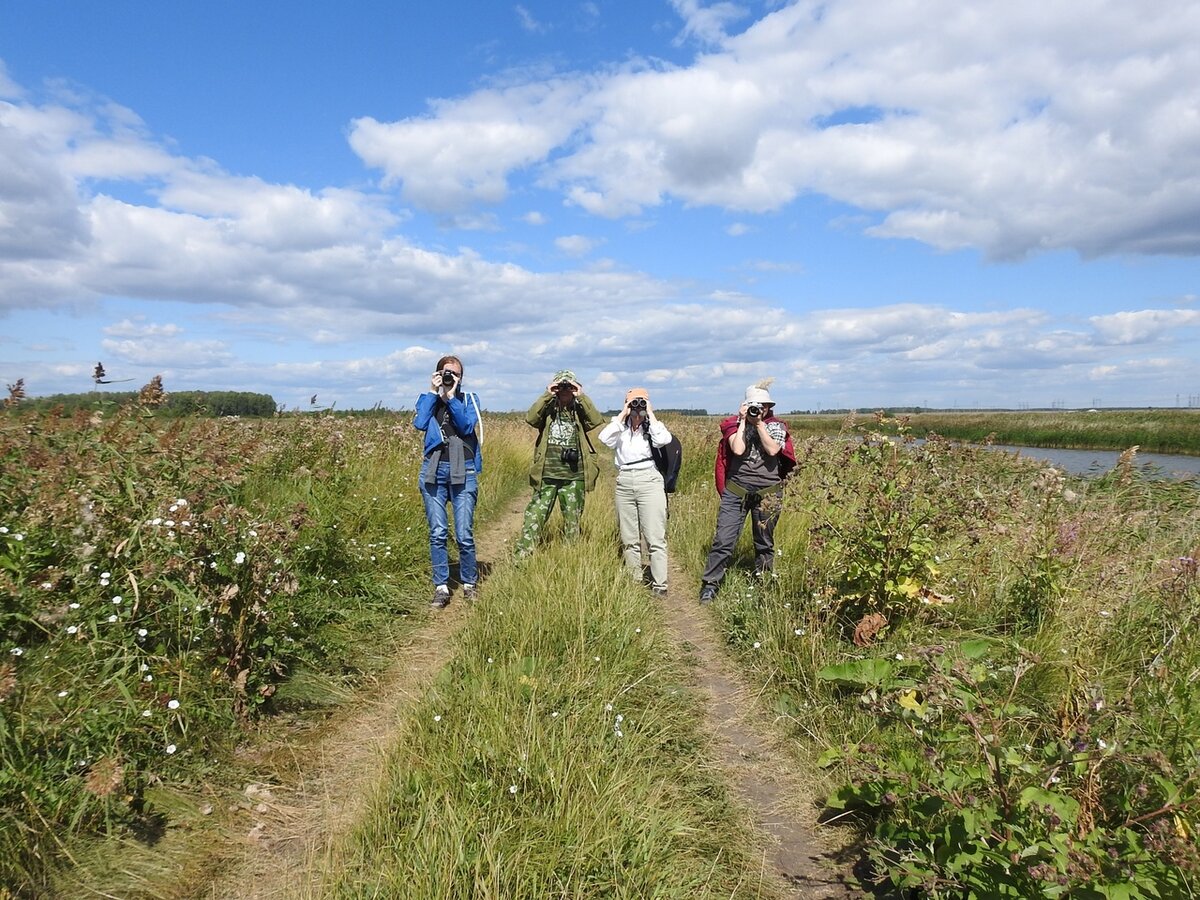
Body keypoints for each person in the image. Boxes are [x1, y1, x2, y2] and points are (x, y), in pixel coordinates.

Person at [698, 381, 796, 605]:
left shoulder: (776, 426)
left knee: (764, 542)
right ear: (744, 406)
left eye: (763, 406)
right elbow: (738, 449)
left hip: (768, 493)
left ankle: (763, 585)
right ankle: (710, 585)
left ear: (769, 407)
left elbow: (772, 450)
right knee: (723, 540)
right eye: (754, 405)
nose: (759, 409)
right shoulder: (733, 424)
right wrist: (743, 421)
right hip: (737, 492)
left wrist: (759, 424)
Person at [413, 354, 483, 609]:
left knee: (464, 533)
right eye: (445, 372)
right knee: (438, 532)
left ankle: (469, 583)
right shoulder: (427, 399)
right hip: (433, 469)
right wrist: (433, 393)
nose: (450, 377)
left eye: (455, 374)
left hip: (463, 469)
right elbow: (420, 423)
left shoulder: (469, 400)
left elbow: (466, 427)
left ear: (462, 377)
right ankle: (441, 587)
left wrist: (451, 397)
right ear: (437, 374)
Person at [514, 369, 603, 556]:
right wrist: (547, 394)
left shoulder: (579, 409)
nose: (564, 390)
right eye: (560, 386)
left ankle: (569, 558)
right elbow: (530, 418)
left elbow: (595, 420)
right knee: (535, 517)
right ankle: (522, 557)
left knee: (573, 521)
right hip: (546, 474)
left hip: (574, 476)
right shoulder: (548, 409)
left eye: (568, 386)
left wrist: (581, 396)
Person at [598, 387, 673, 596]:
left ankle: (660, 584)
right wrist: (622, 414)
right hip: (624, 480)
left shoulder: (654, 427)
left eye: (641, 402)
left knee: (654, 535)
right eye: (633, 403)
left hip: (648, 478)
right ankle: (635, 580)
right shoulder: (619, 427)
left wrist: (650, 413)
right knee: (629, 536)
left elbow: (663, 440)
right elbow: (603, 439)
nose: (636, 407)